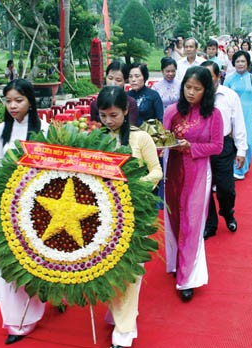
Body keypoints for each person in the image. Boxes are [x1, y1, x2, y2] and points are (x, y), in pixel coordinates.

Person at [97, 86, 163, 348]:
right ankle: (119, 314)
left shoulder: (141, 138)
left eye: (113, 115)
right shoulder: (97, 137)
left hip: (135, 213)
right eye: (103, 116)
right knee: (108, 267)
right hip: (104, 214)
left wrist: (131, 187)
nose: (109, 121)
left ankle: (124, 332)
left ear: (126, 110)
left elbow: (156, 172)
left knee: (130, 271)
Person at [0, 79, 49, 344]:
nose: (13, 105)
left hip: (36, 206)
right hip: (7, 205)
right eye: (9, 101)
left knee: (34, 260)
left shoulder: (43, 129)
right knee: (7, 262)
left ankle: (39, 305)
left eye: (19, 100)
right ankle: (16, 320)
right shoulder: (2, 131)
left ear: (30, 101)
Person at [163, 66, 223, 302]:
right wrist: (167, 144)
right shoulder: (172, 111)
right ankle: (178, 262)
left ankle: (188, 279)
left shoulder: (213, 115)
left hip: (198, 171)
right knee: (174, 218)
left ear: (206, 90)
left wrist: (191, 147)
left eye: (197, 89)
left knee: (192, 223)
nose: (191, 93)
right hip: (174, 170)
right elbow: (161, 139)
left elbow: (216, 146)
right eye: (188, 87)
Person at [200, 61, 247, 239]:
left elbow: (239, 123)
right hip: (201, 147)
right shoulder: (196, 96)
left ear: (218, 77)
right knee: (203, 188)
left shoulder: (229, 96)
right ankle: (210, 223)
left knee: (226, 188)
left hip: (223, 145)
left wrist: (242, 150)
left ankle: (227, 212)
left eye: (209, 77)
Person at [224, 51, 252, 180]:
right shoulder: (228, 79)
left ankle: (244, 167)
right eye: (238, 61)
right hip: (232, 114)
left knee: (249, 142)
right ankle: (236, 169)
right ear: (234, 63)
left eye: (243, 61)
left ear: (247, 63)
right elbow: (224, 98)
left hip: (248, 114)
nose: (240, 64)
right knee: (234, 142)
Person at [90, 60, 138, 125]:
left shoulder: (131, 103)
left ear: (125, 81)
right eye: (110, 78)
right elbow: (94, 127)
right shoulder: (95, 104)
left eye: (118, 80)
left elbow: (131, 127)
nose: (113, 83)